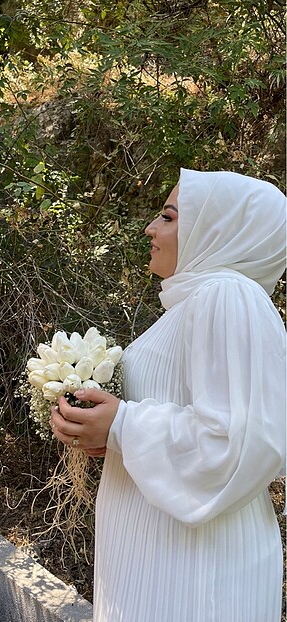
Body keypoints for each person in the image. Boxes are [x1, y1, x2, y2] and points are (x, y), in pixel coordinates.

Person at [50, 168, 286, 622]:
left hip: (197, 567)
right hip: (165, 546)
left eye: (169, 217)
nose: (151, 229)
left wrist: (123, 424)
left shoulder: (227, 295)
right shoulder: (197, 303)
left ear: (217, 229)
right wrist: (107, 433)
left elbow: (238, 444)